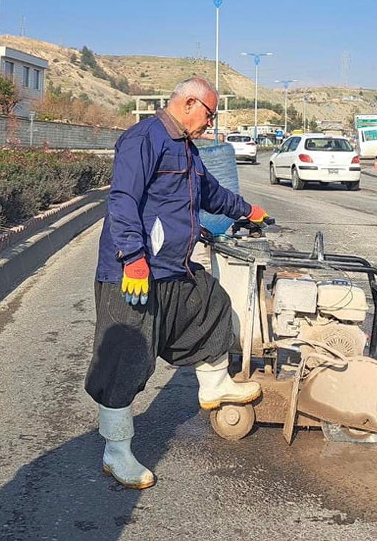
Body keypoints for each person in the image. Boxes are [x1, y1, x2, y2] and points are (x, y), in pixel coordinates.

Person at [84, 77, 269, 489]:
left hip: (172, 268)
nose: (211, 123)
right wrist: (132, 258)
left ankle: (215, 385)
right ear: (188, 103)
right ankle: (116, 451)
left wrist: (247, 210)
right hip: (133, 272)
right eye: (209, 114)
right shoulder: (143, 139)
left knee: (209, 303)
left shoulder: (185, 147)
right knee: (125, 357)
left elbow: (210, 192)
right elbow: (122, 199)